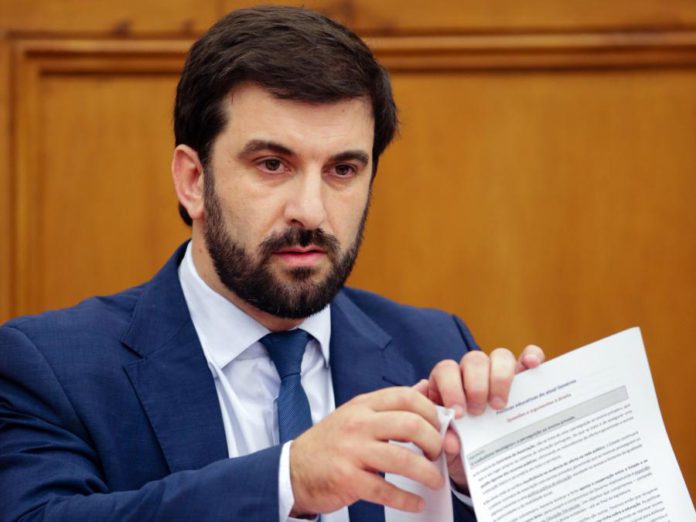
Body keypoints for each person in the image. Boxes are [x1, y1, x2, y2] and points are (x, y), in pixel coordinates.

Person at [0, 6, 544, 522]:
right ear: (193, 181)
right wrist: (287, 481)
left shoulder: (434, 347)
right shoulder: (50, 369)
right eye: (272, 164)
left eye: (342, 170)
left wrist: (482, 482)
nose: (311, 211)